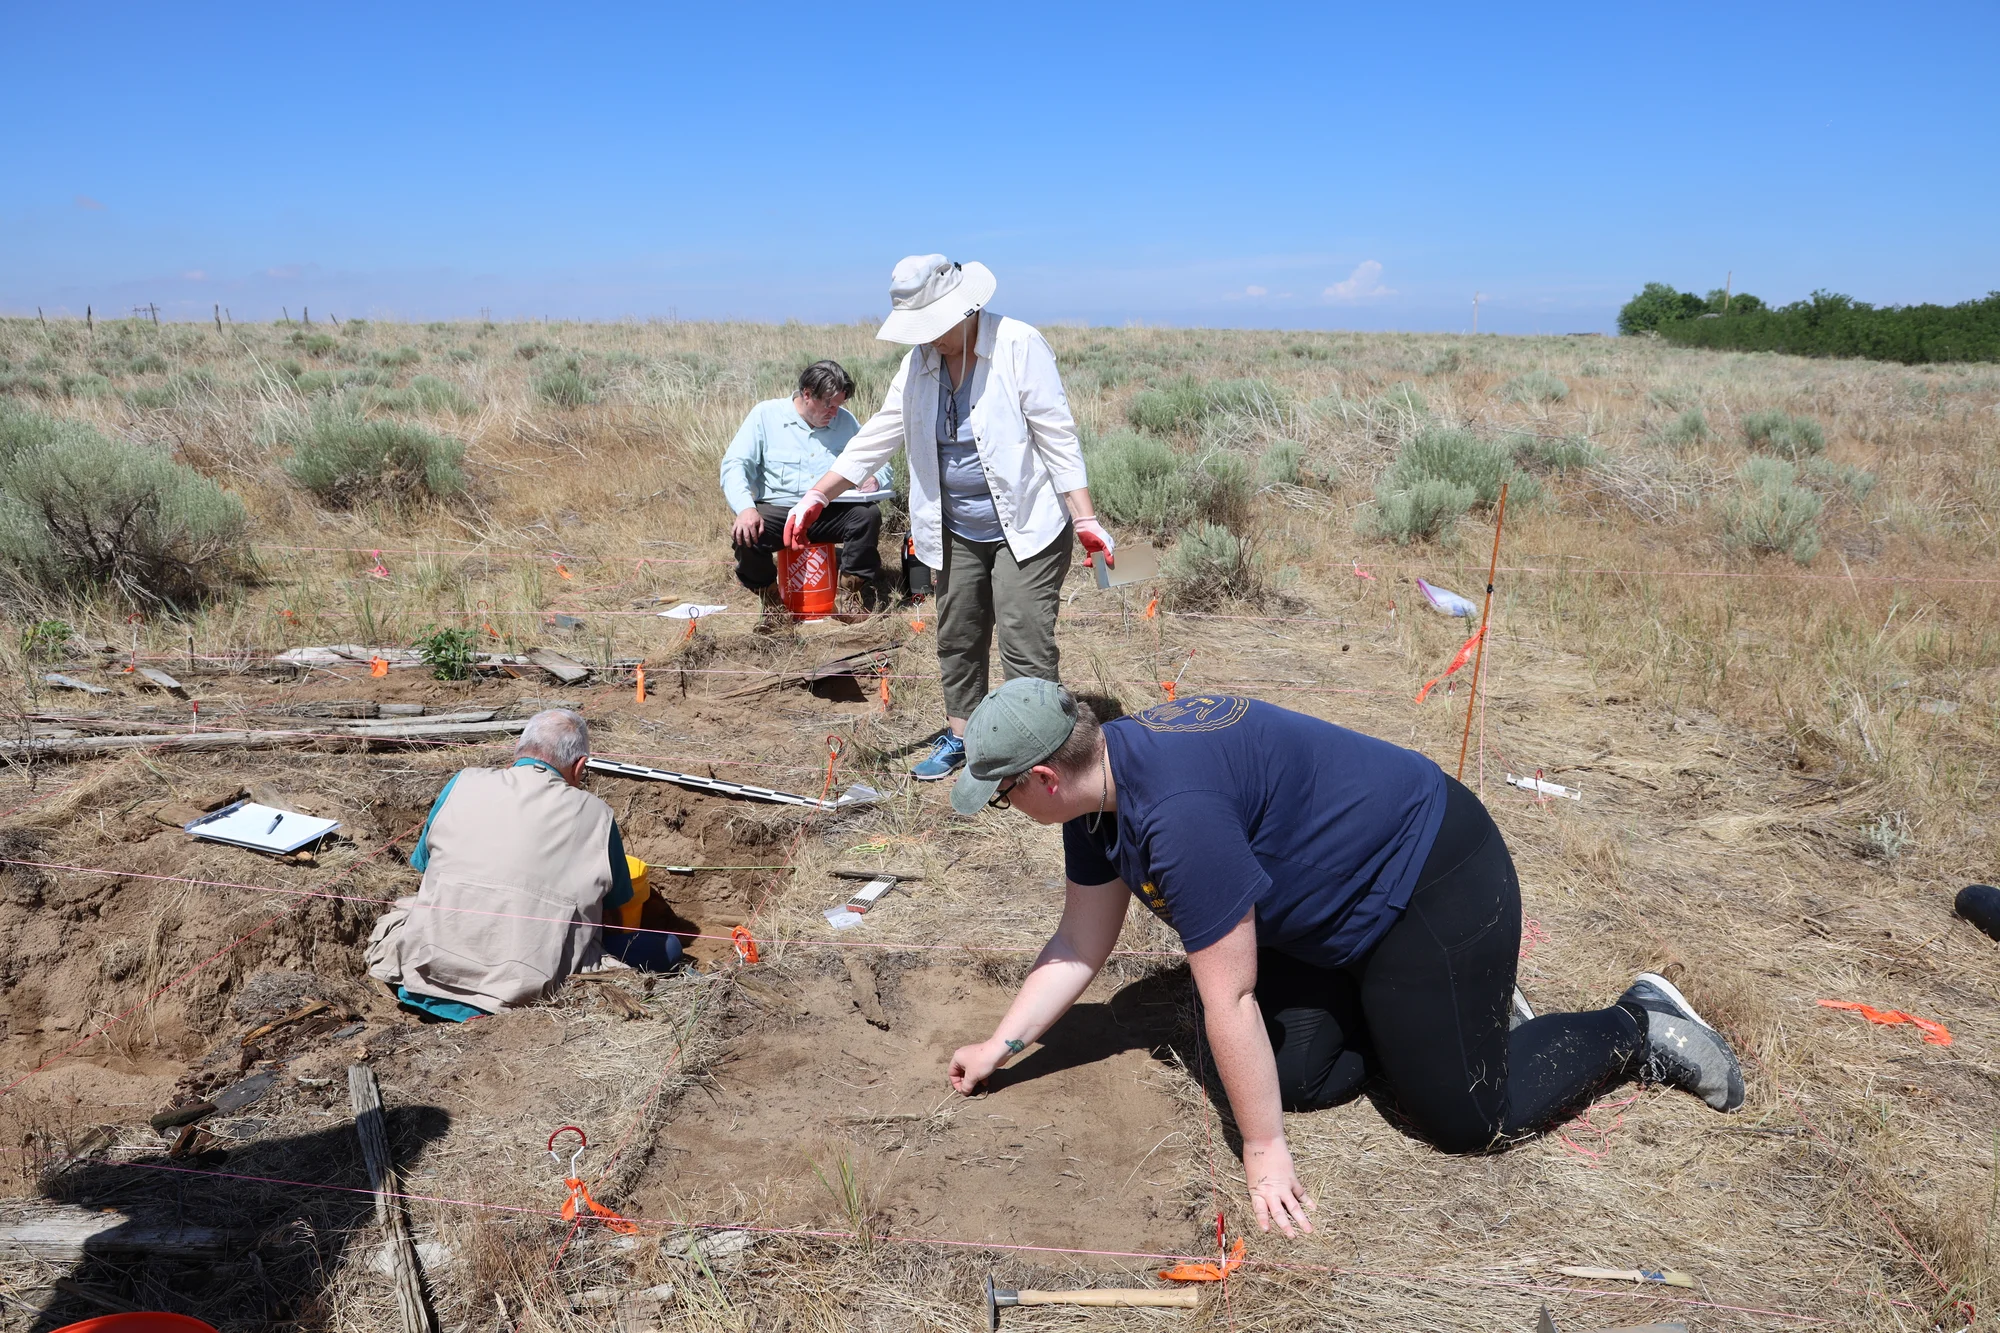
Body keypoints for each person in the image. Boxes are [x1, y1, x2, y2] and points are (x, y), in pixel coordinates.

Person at [943, 680, 1746, 1237]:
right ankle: (1446, 1011)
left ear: (1044, 776)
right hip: (1331, 919)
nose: (1007, 808)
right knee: (1277, 1079)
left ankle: (1636, 1023)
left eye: (1003, 793)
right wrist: (1000, 1045)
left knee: (1465, 1116)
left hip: (1431, 880)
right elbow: (1081, 941)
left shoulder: (1177, 817)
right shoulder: (1098, 797)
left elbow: (1230, 998)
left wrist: (1264, 1155)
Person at [781, 256, 1115, 779]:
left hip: (1024, 525)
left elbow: (1057, 435)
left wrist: (1085, 517)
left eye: (935, 324)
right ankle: (965, 738)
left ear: (967, 309)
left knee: (1024, 639)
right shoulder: (919, 362)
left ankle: (1039, 754)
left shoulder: (1018, 344)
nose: (929, 337)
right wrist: (818, 495)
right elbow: (880, 432)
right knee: (958, 634)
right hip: (953, 525)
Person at [364, 709, 682, 1020]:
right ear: (580, 765)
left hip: (426, 976)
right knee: (667, 947)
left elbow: (425, 866)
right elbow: (616, 908)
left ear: (517, 752)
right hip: (519, 993)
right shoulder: (597, 815)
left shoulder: (462, 782)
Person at [721, 360, 895, 628]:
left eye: (839, 405)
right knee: (747, 534)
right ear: (806, 393)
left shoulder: (846, 423)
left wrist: (874, 478)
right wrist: (745, 508)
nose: (835, 413)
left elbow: (880, 464)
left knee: (867, 515)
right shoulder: (766, 415)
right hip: (780, 509)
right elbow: (734, 465)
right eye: (829, 405)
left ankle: (849, 595)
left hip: (830, 510)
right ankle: (771, 603)